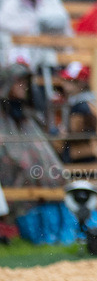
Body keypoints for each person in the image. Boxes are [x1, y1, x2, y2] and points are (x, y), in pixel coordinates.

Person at [0, 62, 63, 190]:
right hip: (11, 188)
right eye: (19, 82)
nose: (23, 86)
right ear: (8, 85)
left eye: (25, 82)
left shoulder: (27, 116)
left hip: (38, 189)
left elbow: (43, 153)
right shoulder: (4, 119)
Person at [58, 62, 97, 164]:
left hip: (80, 157)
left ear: (80, 83)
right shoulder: (82, 103)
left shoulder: (81, 106)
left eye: (69, 81)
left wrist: (61, 133)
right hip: (81, 155)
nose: (64, 84)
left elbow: (77, 134)